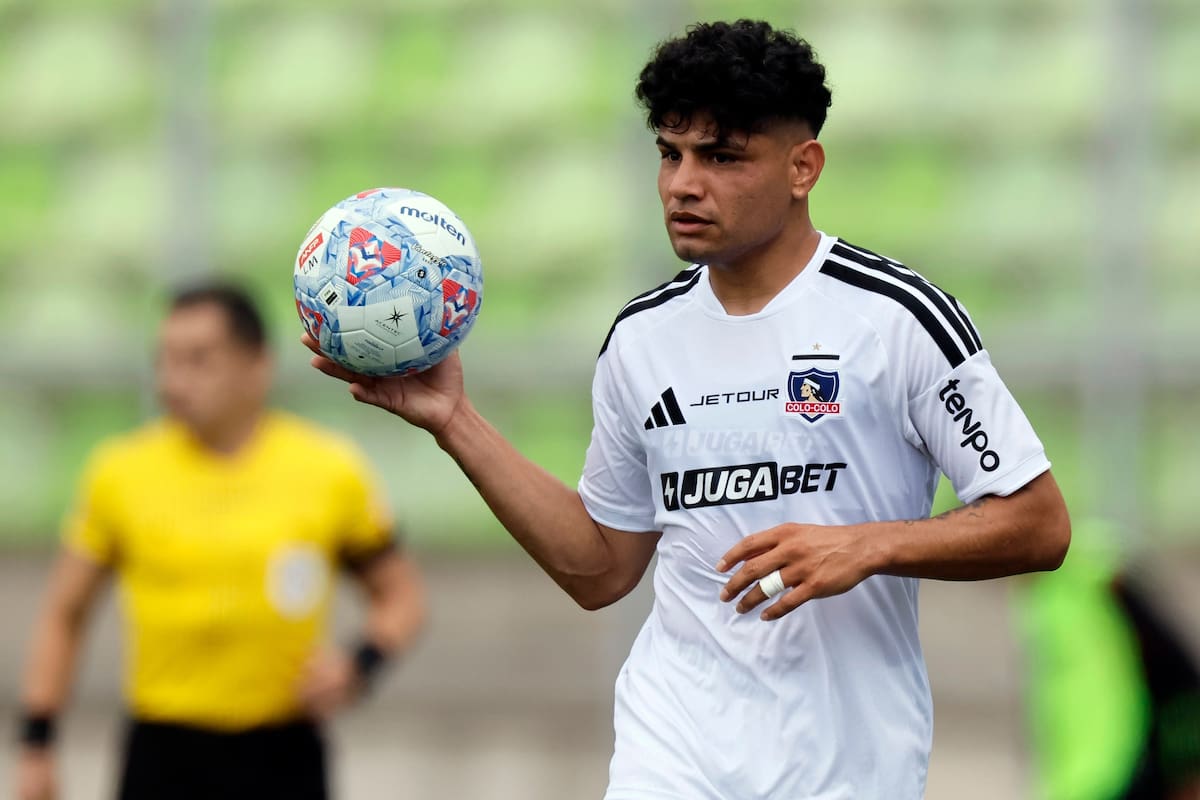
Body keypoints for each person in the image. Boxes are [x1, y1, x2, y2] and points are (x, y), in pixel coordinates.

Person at [304, 19, 1070, 799]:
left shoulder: (896, 318)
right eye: (671, 154)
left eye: (721, 157)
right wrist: (454, 423)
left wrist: (865, 546)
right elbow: (602, 567)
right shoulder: (643, 339)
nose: (682, 184)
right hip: (672, 749)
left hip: (847, 765)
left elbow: (1039, 524)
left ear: (803, 167)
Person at [16, 284, 426, 800]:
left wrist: (359, 665)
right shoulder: (120, 472)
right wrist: (37, 743)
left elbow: (402, 597)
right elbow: (64, 612)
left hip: (283, 753)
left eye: (198, 360)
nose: (173, 380)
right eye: (165, 359)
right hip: (163, 753)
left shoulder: (327, 470)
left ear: (258, 366)